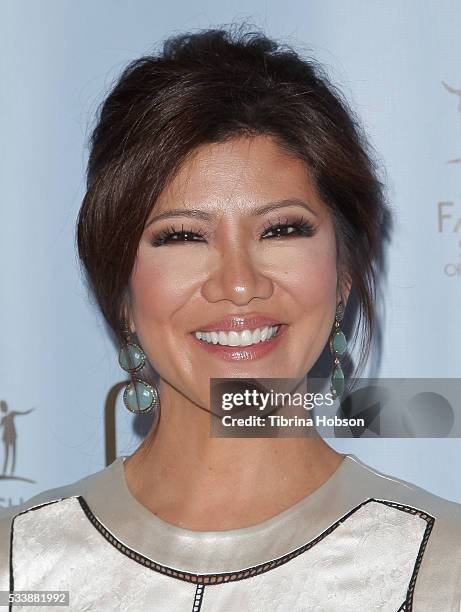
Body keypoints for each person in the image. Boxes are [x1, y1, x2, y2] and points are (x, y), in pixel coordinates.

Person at [1, 24, 460, 611]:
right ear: (121, 292)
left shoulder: (443, 567)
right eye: (185, 236)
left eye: (282, 229)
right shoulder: (18, 567)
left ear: (343, 271)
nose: (240, 284)